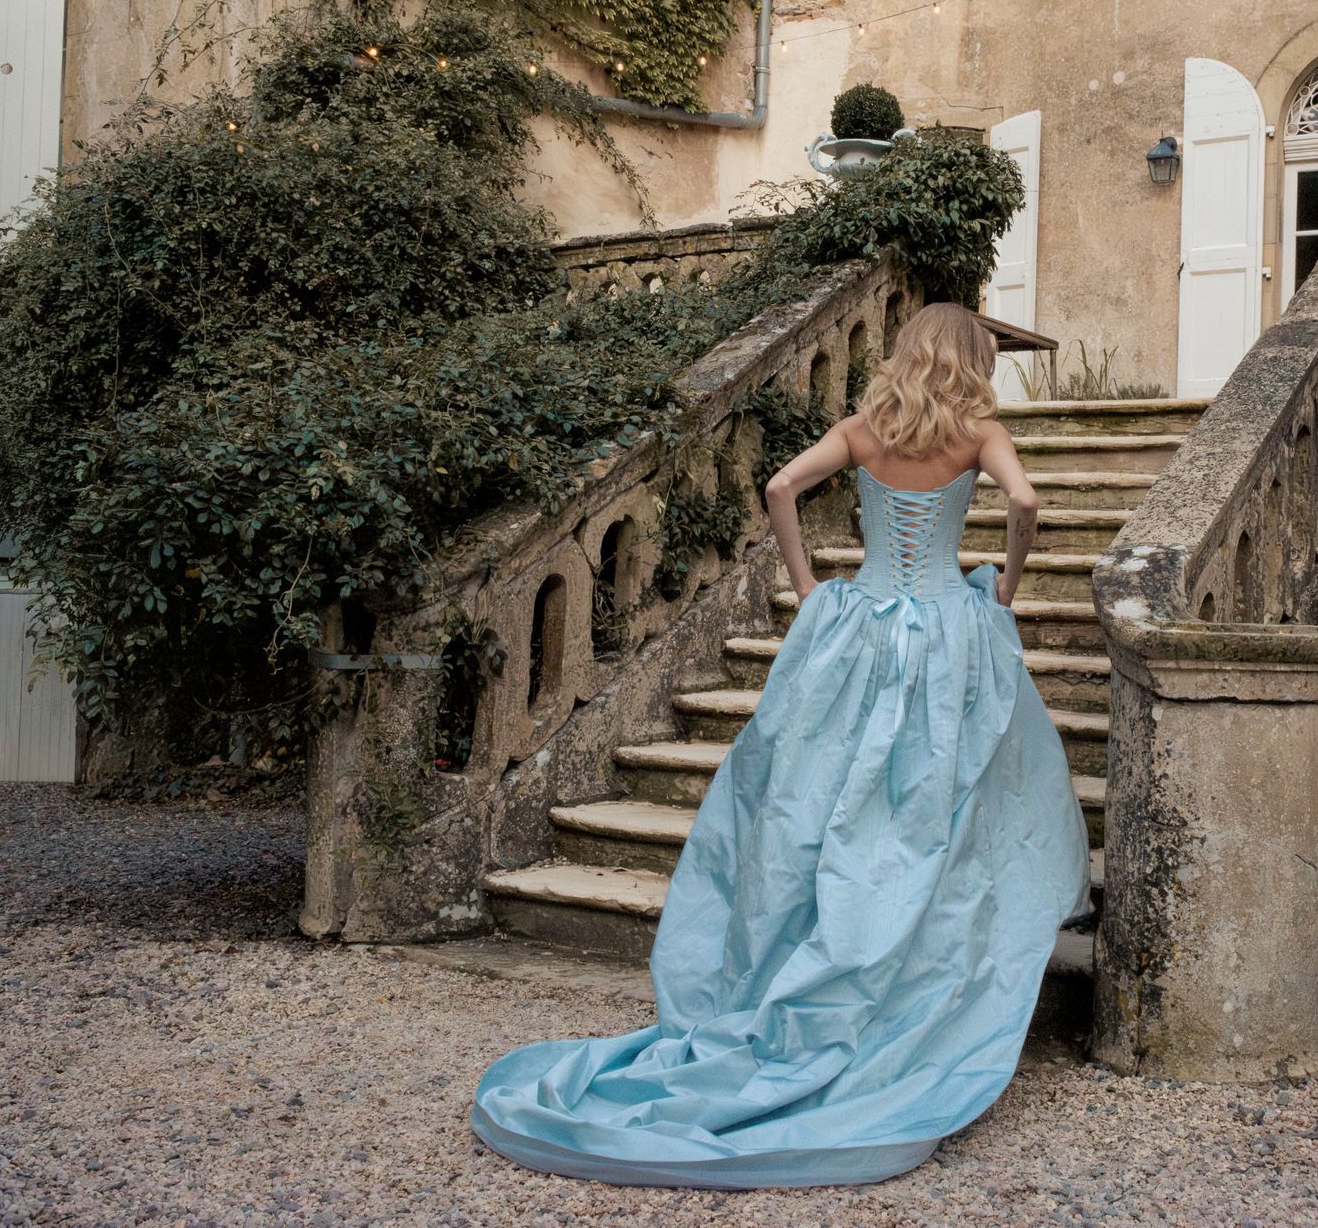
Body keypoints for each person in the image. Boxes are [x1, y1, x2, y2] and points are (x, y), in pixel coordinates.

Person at [469, 302, 1095, 1188]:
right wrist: (1006, 585)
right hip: (948, 624)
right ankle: (911, 957)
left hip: (861, 625)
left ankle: (824, 939)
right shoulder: (978, 431)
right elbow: (1026, 502)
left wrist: (809, 585)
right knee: (940, 791)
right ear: (971, 358)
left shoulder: (863, 427)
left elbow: (778, 489)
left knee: (829, 791)